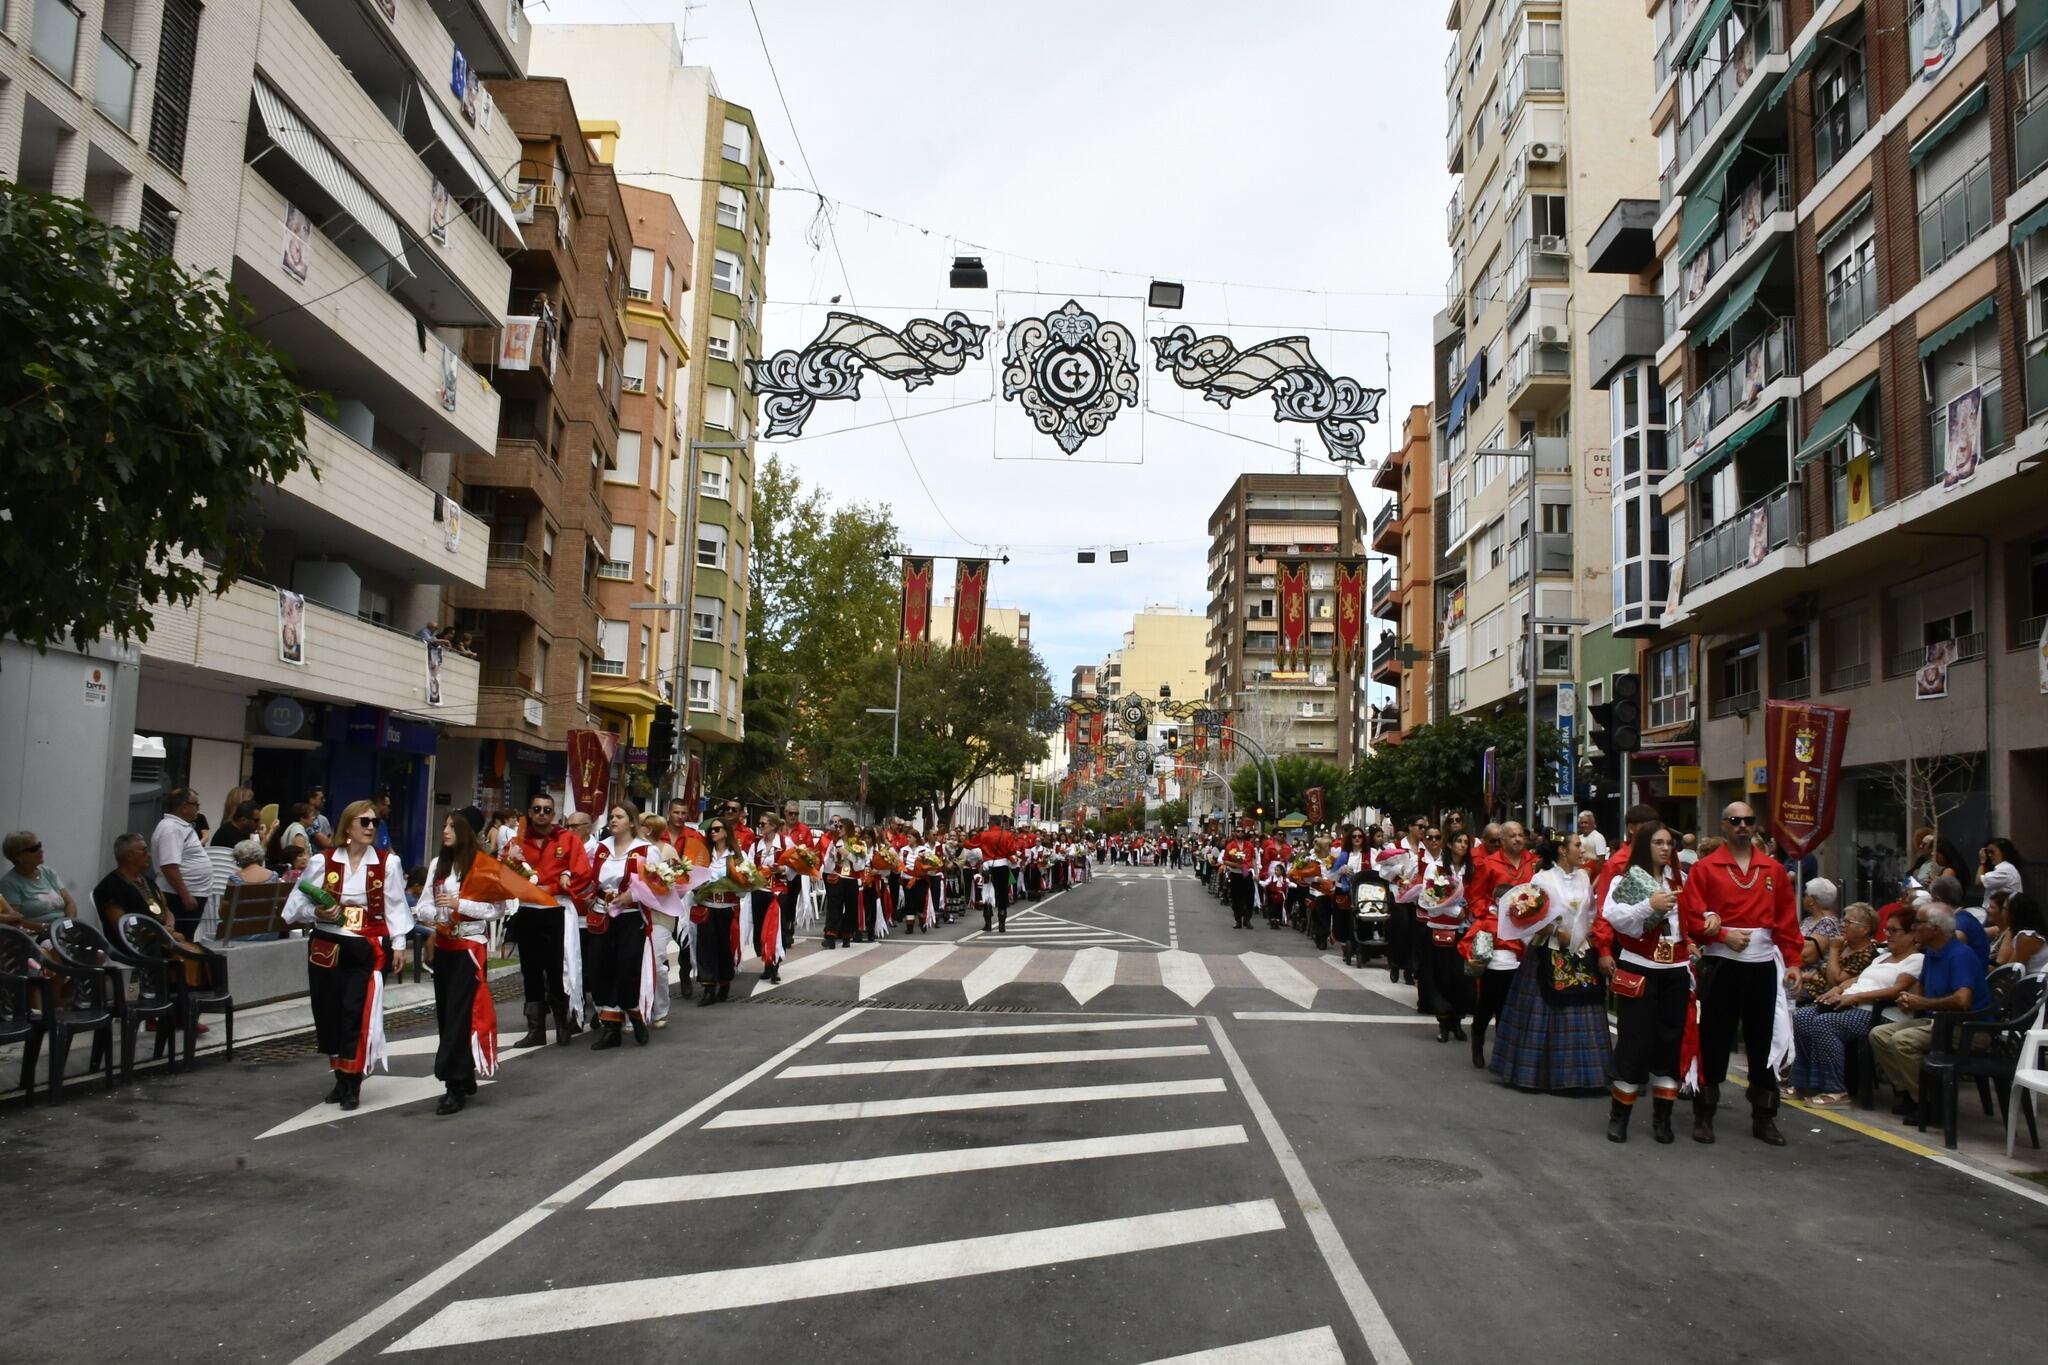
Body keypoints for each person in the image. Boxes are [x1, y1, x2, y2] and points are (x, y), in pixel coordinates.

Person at [1679, 801, 1803, 1146]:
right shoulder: (1706, 868)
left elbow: (1787, 923)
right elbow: (1690, 918)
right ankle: (1704, 1114)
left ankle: (1764, 1117)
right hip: (1722, 963)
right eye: (1735, 820)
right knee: (1714, 1039)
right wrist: (1721, 935)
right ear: (1724, 825)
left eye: (1749, 820)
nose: (1743, 826)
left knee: (1764, 1039)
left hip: (1763, 965)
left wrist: (1793, 962)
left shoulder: (1773, 870)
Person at [281, 799, 412, 1110]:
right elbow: (294, 907)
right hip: (327, 946)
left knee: (356, 1012)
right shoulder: (323, 861)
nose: (370, 827)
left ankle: (352, 1082)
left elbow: (395, 906)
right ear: (348, 825)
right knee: (329, 1013)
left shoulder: (387, 863)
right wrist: (318, 911)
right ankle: (340, 1077)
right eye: (364, 822)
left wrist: (399, 945)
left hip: (364, 947)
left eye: (374, 823)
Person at [1488, 831, 1612, 1094]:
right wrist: (1556, 932)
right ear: (1562, 851)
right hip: (1548, 951)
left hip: (1579, 951)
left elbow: (1590, 911)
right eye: (1578, 845)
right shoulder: (1542, 879)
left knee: (1583, 1007)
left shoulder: (1584, 876)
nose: (1583, 850)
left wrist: (1585, 935)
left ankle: (1582, 1077)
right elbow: (1529, 916)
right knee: (1545, 1012)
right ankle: (1541, 1074)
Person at [1599, 821, 1693, 1143]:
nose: (1666, 848)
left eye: (1669, 843)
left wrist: (1707, 922)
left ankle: (1662, 1119)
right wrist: (1647, 906)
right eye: (1658, 843)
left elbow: (1690, 919)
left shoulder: (1681, 879)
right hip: (1640, 966)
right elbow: (1613, 917)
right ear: (1644, 846)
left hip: (1676, 968)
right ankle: (1619, 1118)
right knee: (1633, 1044)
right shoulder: (1623, 880)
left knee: (1670, 1043)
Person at [417, 813, 510, 1114]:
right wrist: (440, 916)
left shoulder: (483, 866)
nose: (444, 831)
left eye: (451, 826)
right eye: (443, 825)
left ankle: (454, 1083)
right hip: (444, 947)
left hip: (470, 948)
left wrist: (460, 906)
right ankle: (464, 1072)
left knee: (461, 1014)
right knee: (447, 1014)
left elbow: (498, 909)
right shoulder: (437, 864)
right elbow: (422, 908)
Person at [1868, 902, 1991, 1116]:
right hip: (1939, 1022)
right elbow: (1922, 991)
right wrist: (1908, 998)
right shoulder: (1932, 953)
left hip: (1968, 1029)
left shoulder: (1960, 955)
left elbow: (1963, 1001)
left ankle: (1929, 1102)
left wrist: (1922, 1003)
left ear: (1935, 928)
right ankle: (1909, 1093)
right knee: (1879, 1034)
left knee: (1903, 1041)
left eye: (1919, 923)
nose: (1914, 927)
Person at [1789, 904, 1920, 1106]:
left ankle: (1836, 1090)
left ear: (1912, 935)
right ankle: (1806, 1082)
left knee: (1825, 1023)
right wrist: (1839, 989)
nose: (1888, 935)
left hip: (1878, 1011)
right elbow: (1858, 978)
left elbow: (1896, 989)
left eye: (1894, 931)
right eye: (1887, 930)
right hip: (1851, 1003)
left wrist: (1855, 998)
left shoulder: (1916, 959)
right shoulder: (1884, 956)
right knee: (1803, 1017)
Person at [507, 794, 593, 1048]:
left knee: (557, 969)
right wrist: (521, 883)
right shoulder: (518, 841)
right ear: (530, 813)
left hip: (556, 910)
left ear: (553, 814)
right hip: (528, 910)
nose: (542, 814)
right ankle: (536, 1029)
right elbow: (503, 873)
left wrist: (552, 887)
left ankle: (562, 1022)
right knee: (530, 970)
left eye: (547, 809)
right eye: (537, 809)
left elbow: (583, 874)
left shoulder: (567, 840)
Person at [586, 803, 654, 1049]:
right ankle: (612, 1028)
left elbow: (658, 884)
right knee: (601, 969)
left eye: (619, 816)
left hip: (630, 917)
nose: (613, 820)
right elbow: (592, 878)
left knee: (626, 970)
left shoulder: (646, 850)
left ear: (632, 821)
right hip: (602, 915)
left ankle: (634, 1013)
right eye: (611, 816)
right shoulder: (601, 848)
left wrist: (632, 897)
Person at [1417, 828, 1474, 1043]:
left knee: (1462, 979)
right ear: (1449, 845)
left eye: (1465, 842)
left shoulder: (1471, 870)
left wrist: (1469, 913)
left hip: (1464, 930)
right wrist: (1454, 911)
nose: (1462, 845)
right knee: (1441, 978)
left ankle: (1458, 1021)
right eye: (1458, 841)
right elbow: (1429, 899)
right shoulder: (1437, 869)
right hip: (1440, 927)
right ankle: (1443, 1022)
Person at [693, 814, 746, 1006]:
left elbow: (745, 885)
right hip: (707, 905)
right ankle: (708, 988)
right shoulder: (704, 854)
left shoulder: (737, 856)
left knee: (724, 947)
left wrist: (735, 884)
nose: (713, 833)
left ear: (726, 833)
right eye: (711, 830)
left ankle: (724, 983)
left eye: (717, 829)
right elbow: (692, 877)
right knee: (706, 948)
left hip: (727, 907)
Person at [150, 787, 214, 938]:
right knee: (179, 938)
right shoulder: (171, 829)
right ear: (184, 806)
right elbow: (169, 866)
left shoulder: (179, 827)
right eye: (196, 805)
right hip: (178, 896)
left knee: (186, 937)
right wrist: (186, 896)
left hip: (188, 893)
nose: (198, 809)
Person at [0, 830, 78, 936]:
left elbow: (70, 903)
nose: (41, 851)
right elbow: (15, 920)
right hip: (37, 935)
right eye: (33, 849)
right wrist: (46, 927)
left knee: (98, 950)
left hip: (64, 930)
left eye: (39, 845)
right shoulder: (9, 883)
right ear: (18, 856)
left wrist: (68, 924)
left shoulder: (49, 873)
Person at [1994, 892, 2048, 976]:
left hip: (2037, 985)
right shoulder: (2027, 933)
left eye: (2004, 909)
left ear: (2014, 913)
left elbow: (2011, 970)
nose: (2002, 912)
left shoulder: (2026, 937)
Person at [1980, 838, 2024, 904]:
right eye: (1987, 853)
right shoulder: (2005, 867)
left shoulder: (2005, 869)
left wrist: (1982, 862)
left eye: (1992, 852)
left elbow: (1979, 882)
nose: (1989, 855)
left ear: (2003, 851)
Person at [305, 786, 334, 852]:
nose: (324, 800)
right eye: (321, 798)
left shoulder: (324, 819)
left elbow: (330, 840)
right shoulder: (307, 820)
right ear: (311, 800)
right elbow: (327, 843)